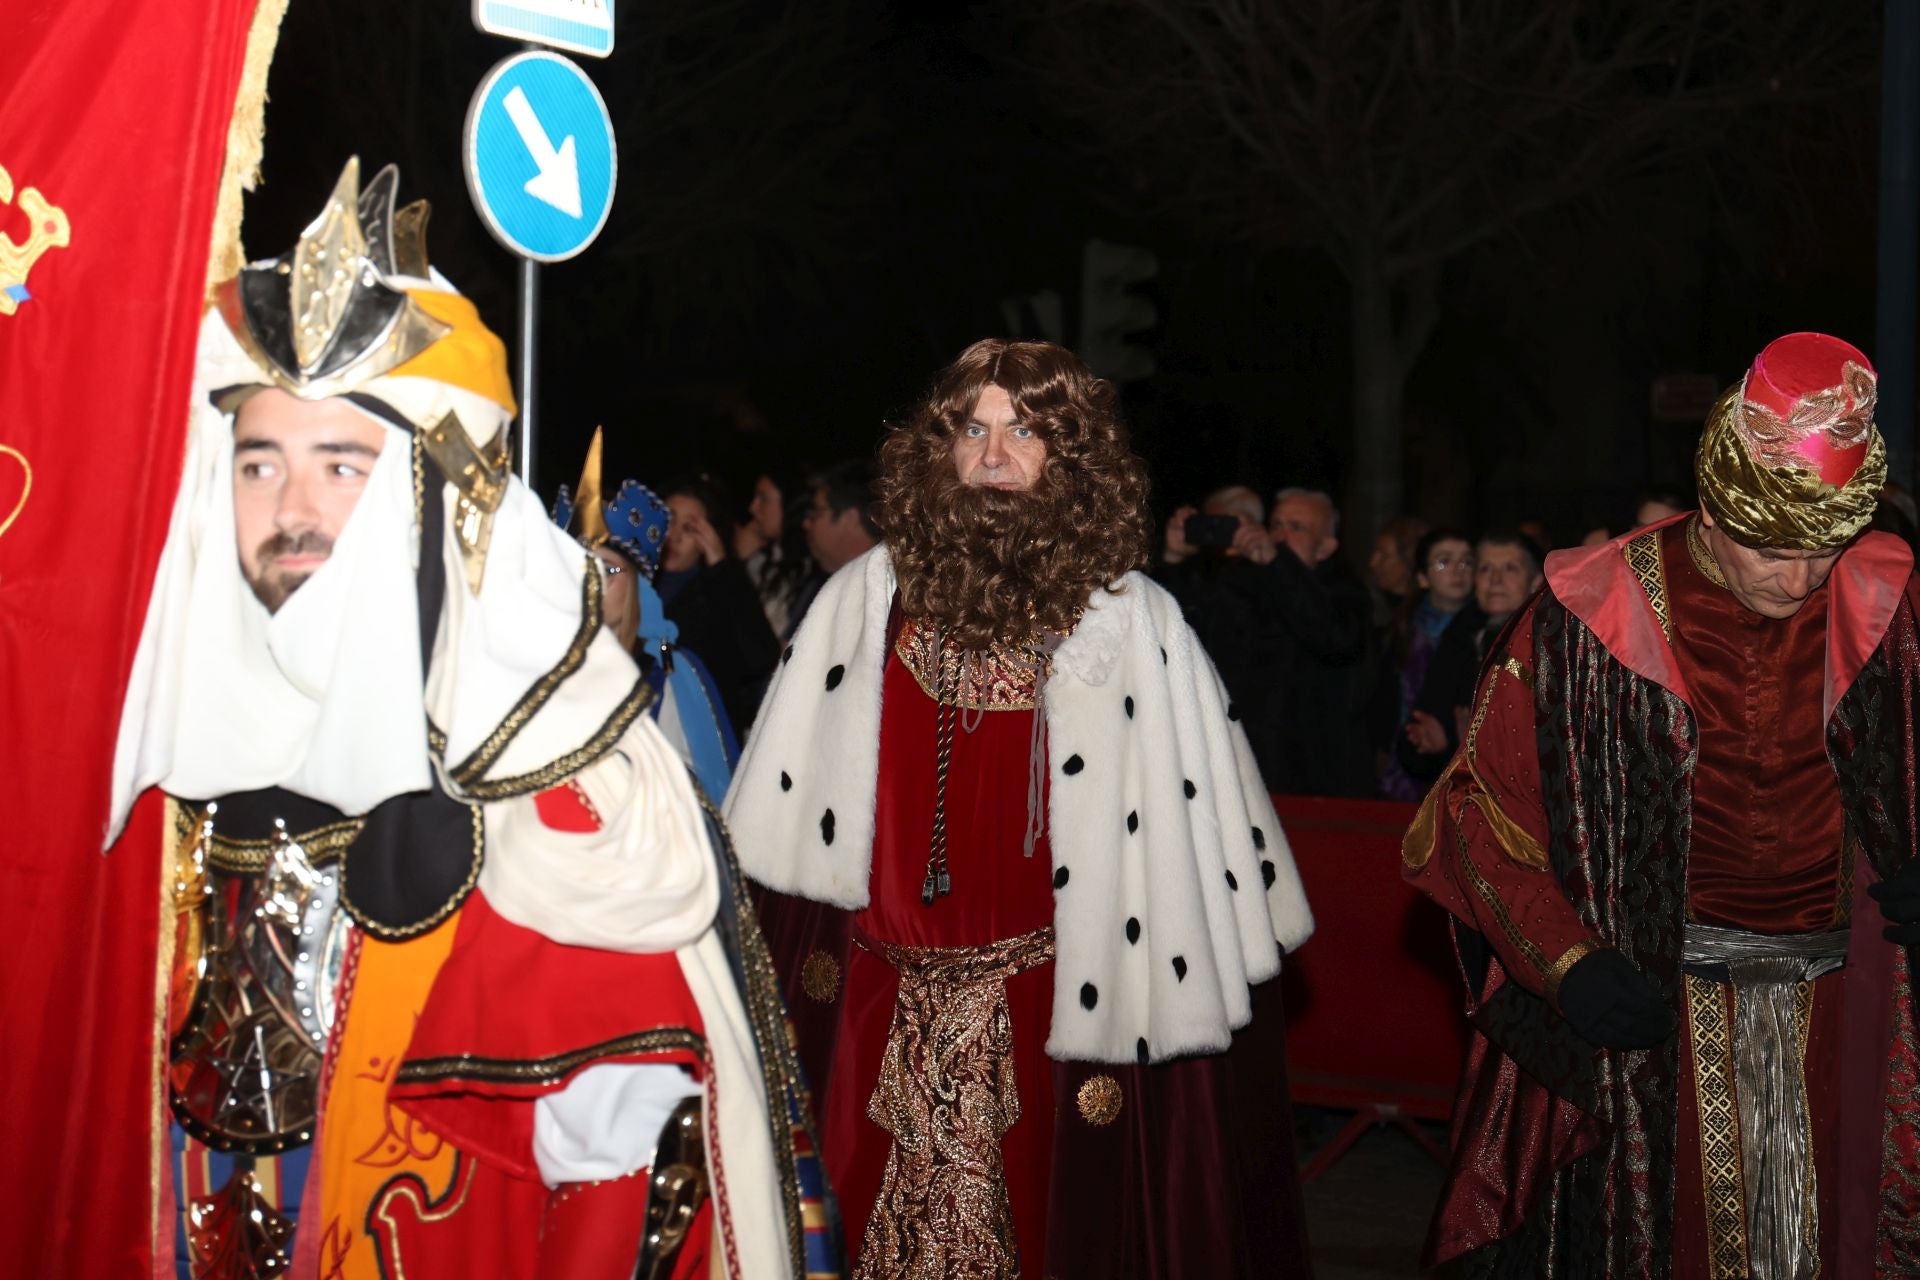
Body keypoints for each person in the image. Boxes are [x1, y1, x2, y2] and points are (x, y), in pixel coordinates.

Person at [111, 160, 833, 1280]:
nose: (293, 510)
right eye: (261, 462)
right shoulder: (145, 781)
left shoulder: (568, 822)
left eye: (341, 463)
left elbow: (624, 1209)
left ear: (427, 494)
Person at [728, 339, 1316, 1278]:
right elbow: (783, 847)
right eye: (973, 429)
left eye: (1026, 432)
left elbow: (1187, 860)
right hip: (871, 1012)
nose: (993, 456)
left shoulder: (1134, 622)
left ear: (1073, 458)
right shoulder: (861, 603)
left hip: (1058, 1014)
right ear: (942, 450)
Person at [1404, 332, 1920, 1275]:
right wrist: (1567, 963)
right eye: (1774, 548)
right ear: (1717, 503)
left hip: (1851, 1015)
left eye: (1824, 550)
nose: (1801, 580)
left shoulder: (1886, 591)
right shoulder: (1588, 612)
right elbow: (1476, 814)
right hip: (1661, 1026)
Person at [555, 428, 740, 798]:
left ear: (637, 589)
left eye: (608, 570)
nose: (591, 582)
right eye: (578, 564)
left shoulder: (668, 674)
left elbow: (703, 791)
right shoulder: (533, 660)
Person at [1157, 484, 1373, 795]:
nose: (1280, 536)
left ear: (1325, 547)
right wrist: (1174, 560)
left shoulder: (1346, 596)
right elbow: (1179, 632)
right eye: (1275, 525)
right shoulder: (1241, 583)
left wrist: (1277, 564)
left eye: (1295, 527)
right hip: (1236, 773)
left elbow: (1333, 637)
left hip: (1312, 784)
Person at [1397, 531, 1544, 780]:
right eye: (1485, 569)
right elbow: (1424, 725)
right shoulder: (1460, 636)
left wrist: (1479, 743)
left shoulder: (1550, 640)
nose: (1495, 580)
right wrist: (1437, 744)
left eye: (1510, 569)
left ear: (1535, 581)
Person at [657, 472, 781, 732]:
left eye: (690, 528)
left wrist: (720, 563)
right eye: (668, 521)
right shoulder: (631, 582)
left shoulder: (717, 592)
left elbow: (760, 655)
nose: (674, 536)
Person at [1375, 527, 1474, 800]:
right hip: (1399, 768)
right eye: (1444, 561)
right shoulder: (1401, 632)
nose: (1458, 571)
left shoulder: (1483, 635)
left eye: (1467, 561)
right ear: (1422, 577)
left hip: (1454, 774)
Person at [790, 458, 880, 636]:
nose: (806, 524)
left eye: (816, 512)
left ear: (850, 519)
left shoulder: (878, 599)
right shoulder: (819, 586)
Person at [737, 466, 817, 637]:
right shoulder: (762, 557)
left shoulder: (812, 568)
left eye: (763, 498)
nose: (753, 507)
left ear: (791, 503)